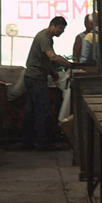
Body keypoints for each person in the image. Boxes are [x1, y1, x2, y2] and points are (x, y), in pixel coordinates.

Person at [22, 15, 71, 150]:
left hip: (32, 77)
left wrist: (53, 73)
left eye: (63, 29)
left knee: (32, 111)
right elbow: (52, 57)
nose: (61, 31)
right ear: (52, 25)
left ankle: (27, 141)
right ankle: (44, 143)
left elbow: (44, 60)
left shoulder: (46, 37)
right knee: (43, 110)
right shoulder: (45, 38)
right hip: (36, 78)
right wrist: (70, 65)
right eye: (60, 28)